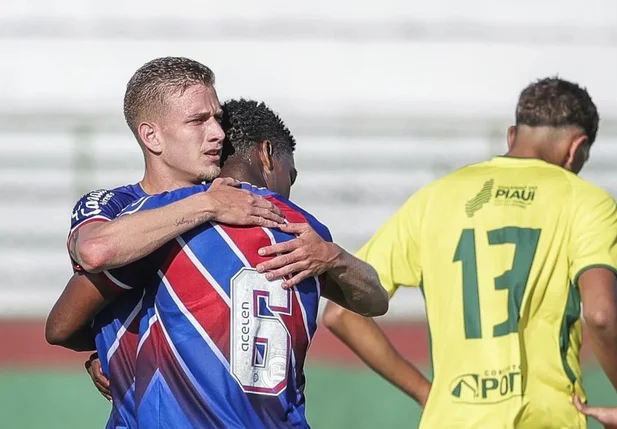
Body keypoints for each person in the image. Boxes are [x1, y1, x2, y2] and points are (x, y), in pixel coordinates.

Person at [47, 98, 389, 428]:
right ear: (267, 154)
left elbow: (62, 325)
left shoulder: (162, 222)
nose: (289, 189)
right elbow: (374, 300)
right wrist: (335, 255)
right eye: (292, 176)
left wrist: (114, 353)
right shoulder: (305, 232)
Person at [317, 77, 617, 428]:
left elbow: (340, 313)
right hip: (545, 418)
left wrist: (427, 394)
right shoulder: (585, 201)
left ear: (512, 135)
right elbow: (600, 314)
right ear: (576, 149)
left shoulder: (435, 198)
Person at [46, 57, 284, 427]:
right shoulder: (115, 206)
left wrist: (330, 257)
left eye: (217, 117)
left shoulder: (235, 202)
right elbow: (93, 252)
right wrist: (111, 353)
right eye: (198, 121)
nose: (218, 133)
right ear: (151, 136)